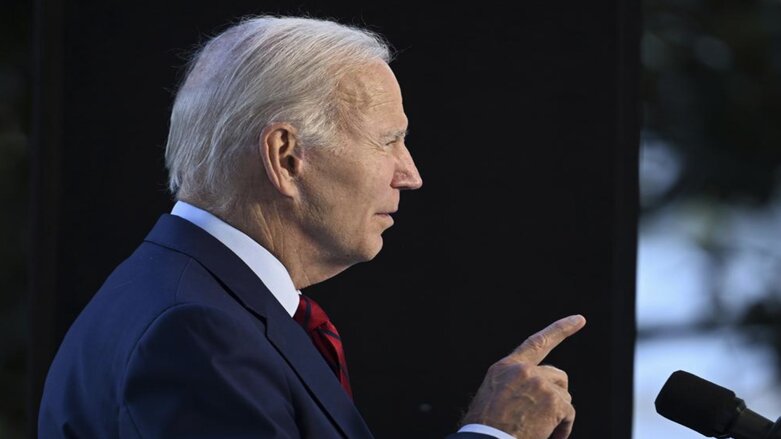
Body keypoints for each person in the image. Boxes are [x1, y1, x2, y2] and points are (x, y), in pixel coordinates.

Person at [37, 15, 586, 439]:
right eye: (387, 140)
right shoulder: (194, 333)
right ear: (286, 157)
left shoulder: (182, 295)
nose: (411, 174)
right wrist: (492, 434)